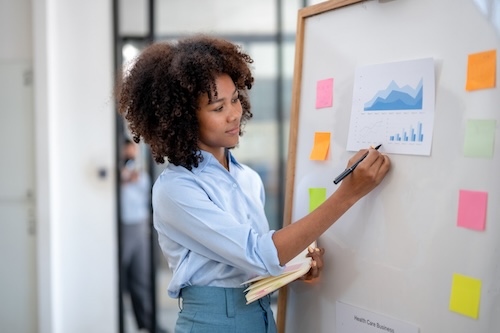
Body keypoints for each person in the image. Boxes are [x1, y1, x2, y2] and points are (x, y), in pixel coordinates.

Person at [116, 34, 391, 333]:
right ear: (184, 119)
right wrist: (347, 195)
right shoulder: (175, 189)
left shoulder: (247, 178)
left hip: (260, 316)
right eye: (218, 108)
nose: (234, 113)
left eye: (234, 99)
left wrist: (290, 269)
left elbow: (250, 263)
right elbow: (258, 254)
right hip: (211, 323)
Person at [120, 139, 165, 333]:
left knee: (142, 277)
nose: (132, 156)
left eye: (134, 153)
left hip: (139, 226)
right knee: (119, 278)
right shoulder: (116, 173)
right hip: (122, 227)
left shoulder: (140, 173)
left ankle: (148, 323)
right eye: (128, 153)